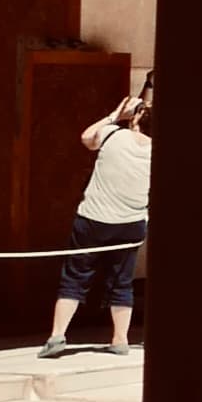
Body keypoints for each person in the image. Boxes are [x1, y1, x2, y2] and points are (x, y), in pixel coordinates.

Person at [42, 84, 151, 358]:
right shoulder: (156, 152)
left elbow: (87, 137)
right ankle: (120, 338)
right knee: (122, 280)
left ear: (135, 119)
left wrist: (115, 114)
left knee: (76, 275)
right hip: (132, 221)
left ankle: (57, 336)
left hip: (95, 218)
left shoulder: (113, 135)